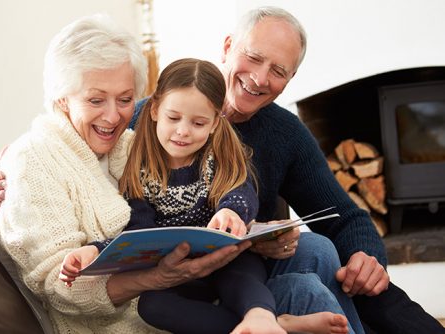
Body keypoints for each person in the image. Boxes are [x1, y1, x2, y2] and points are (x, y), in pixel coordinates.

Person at [0, 6, 444, 334]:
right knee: (309, 272)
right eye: (254, 58)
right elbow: (62, 144)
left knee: (326, 252)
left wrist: (366, 255)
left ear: (291, 80)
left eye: (278, 71)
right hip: (181, 275)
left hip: (241, 258)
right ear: (227, 46)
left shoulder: (282, 132)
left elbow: (342, 214)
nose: (261, 77)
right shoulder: (145, 122)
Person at [0, 14, 254, 334]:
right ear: (61, 97)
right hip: (120, 325)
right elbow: (58, 287)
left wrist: (239, 223)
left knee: (307, 262)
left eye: (125, 99)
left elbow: (206, 187)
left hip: (193, 301)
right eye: (96, 100)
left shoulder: (132, 145)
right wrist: (156, 278)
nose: (114, 116)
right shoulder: (31, 161)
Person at [59, 57, 352, 334]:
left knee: (241, 271)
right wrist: (96, 250)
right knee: (151, 305)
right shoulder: (139, 168)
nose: (183, 132)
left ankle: (259, 315)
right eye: (173, 118)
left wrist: (231, 212)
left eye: (198, 123)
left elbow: (241, 192)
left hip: (226, 261)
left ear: (214, 123)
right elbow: (137, 231)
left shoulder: (218, 158)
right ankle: (280, 324)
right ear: (154, 110)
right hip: (179, 274)